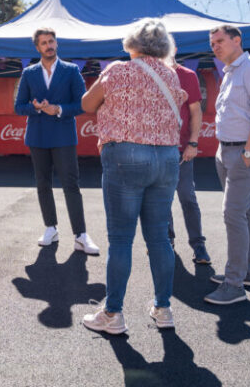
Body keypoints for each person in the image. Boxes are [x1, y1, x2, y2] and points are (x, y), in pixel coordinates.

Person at [80, 19, 186, 333]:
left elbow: (87, 103)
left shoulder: (118, 70)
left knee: (121, 239)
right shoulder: (170, 74)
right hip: (167, 157)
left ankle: (113, 314)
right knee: (159, 238)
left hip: (126, 155)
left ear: (132, 42)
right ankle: (163, 308)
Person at [14, 27, 99, 255]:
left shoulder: (71, 70)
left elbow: (82, 104)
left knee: (71, 185)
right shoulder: (29, 73)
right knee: (43, 184)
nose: (48, 46)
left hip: (63, 136)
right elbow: (18, 107)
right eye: (43, 43)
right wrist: (35, 108)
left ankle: (80, 235)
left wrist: (59, 109)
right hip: (37, 136)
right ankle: (50, 228)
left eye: (51, 41)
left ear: (56, 43)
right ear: (37, 47)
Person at [204, 24, 250, 305]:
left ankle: (234, 285)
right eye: (212, 44)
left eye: (220, 41)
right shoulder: (231, 72)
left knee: (233, 214)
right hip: (228, 151)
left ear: (237, 40)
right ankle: (248, 272)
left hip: (246, 152)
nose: (215, 47)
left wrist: (248, 151)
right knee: (243, 212)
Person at [167, 55, 211, 264]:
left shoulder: (187, 75)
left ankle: (198, 245)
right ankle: (166, 241)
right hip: (156, 149)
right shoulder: (150, 73)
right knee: (161, 200)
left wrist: (193, 143)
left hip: (181, 149)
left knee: (187, 196)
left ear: (174, 49)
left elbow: (195, 111)